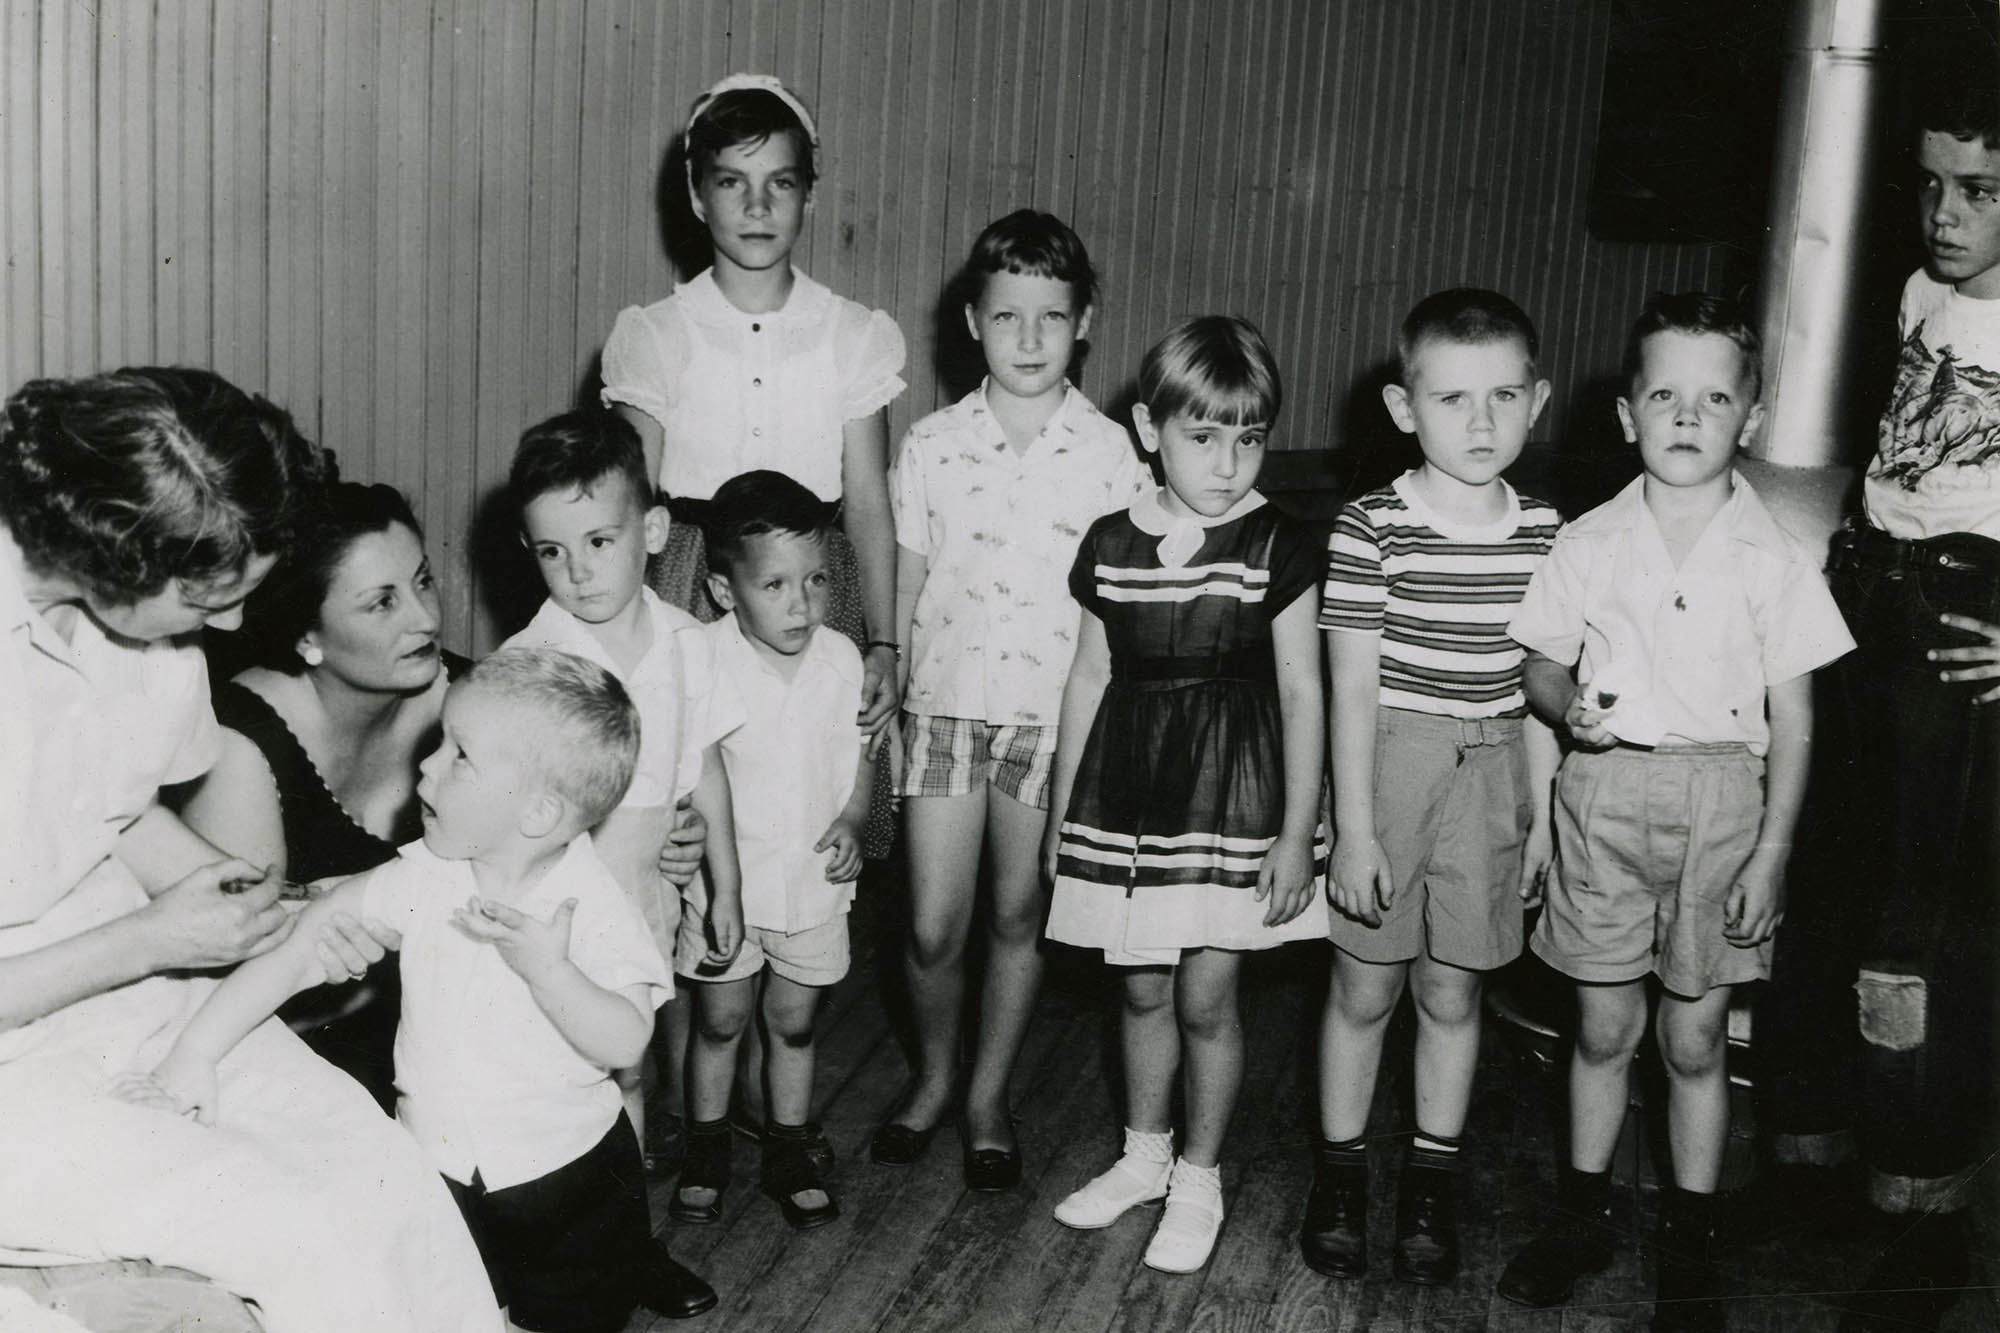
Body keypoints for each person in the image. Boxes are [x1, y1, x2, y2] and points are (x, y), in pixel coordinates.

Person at [0, 367, 499, 1333]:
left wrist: (265, 908)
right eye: (210, 597)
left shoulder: (149, 643)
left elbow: (112, 808)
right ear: (118, 562)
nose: (230, 626)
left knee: (387, 1181)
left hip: (136, 980)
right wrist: (152, 938)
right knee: (296, 1232)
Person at [119, 646, 719, 1328]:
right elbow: (301, 945)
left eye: (459, 755)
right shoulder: (425, 875)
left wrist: (552, 972)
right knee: (451, 1309)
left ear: (539, 812)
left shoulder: (589, 906)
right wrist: (197, 1049)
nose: (428, 765)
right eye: (440, 741)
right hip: (435, 1166)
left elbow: (625, 1037)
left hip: (568, 1174)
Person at [1497, 295, 1853, 1330]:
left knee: (1693, 1040)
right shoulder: (1588, 539)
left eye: (1712, 397)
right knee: (1601, 1026)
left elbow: (1793, 721)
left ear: (1746, 416)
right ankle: (1580, 1212)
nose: (1685, 416)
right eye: (1662, 394)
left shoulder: (1773, 553)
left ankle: (1689, 1239)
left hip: (1720, 805)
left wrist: (1772, 851)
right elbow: (1537, 664)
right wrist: (1571, 715)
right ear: (1624, 416)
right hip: (1602, 798)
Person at [175, 479, 711, 1106]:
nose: (427, 618)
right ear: (308, 637)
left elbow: (551, 836)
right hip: (294, 1038)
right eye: (382, 603)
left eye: (423, 580)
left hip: (472, 1042)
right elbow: (240, 966)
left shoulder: (472, 701)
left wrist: (660, 837)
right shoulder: (245, 746)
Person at [1759, 40, 2000, 1321]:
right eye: (1929, 185)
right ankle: (1810, 1152)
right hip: (1867, 587)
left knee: (1928, 930)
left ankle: (1924, 1203)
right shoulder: (1916, 287)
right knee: (1826, 882)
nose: (1944, 214)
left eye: (1979, 190)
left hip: (1963, 630)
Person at [1041, 317, 1330, 1274]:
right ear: (1147, 427)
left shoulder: (1277, 542)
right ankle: (1144, 1155)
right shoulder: (1111, 542)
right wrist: (1060, 820)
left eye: (1249, 436)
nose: (1228, 460)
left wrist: (1298, 829)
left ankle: (1199, 1174)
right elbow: (1087, 678)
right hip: (1128, 796)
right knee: (1141, 986)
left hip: (1233, 797)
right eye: (1203, 436)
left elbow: (1302, 688)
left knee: (1209, 994)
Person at [872, 210, 1150, 1187]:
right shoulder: (932, 445)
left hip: (1049, 716)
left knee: (1017, 911)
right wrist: (891, 678)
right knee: (930, 922)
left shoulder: (1116, 456)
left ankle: (988, 1094)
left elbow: (1120, 608)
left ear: (1082, 323)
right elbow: (904, 583)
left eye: (1049, 317)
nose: (1027, 339)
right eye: (1005, 317)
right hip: (944, 705)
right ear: (970, 322)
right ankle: (935, 1075)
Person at [1311, 289, 1562, 1285]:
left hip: (1496, 764)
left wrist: (1539, 818)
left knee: (1453, 989)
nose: (1480, 421)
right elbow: (1349, 686)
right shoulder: (1372, 525)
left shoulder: (1549, 531)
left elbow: (1540, 689)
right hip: (1391, 763)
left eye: (1503, 395)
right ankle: (1337, 1175)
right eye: (1451, 397)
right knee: (1364, 984)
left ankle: (1430, 1181)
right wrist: (1355, 829)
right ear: (1401, 405)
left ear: (1536, 401)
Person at [600, 71, 903, 755]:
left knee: (805, 787)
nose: (758, 205)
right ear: (698, 197)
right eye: (733, 182)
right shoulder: (654, 335)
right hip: (689, 584)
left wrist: (884, 643)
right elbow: (628, 504)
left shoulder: (852, 335)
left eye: (782, 183)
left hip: (816, 592)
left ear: (810, 196)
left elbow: (868, 507)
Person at [500, 409, 744, 1165]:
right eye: (552, 550)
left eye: (600, 542)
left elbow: (701, 761)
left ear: (656, 531)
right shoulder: (534, 659)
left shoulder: (686, 641)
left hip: (647, 893)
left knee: (630, 1063)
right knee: (564, 1068)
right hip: (560, 900)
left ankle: (628, 1229)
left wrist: (725, 884)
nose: (578, 571)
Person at [670, 471, 872, 1231]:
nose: (803, 603)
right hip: (728, 887)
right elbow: (693, 773)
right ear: (724, 590)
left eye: (816, 579)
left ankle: (786, 1149)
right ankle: (707, 1148)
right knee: (720, 1022)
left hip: (812, 884)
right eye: (777, 584)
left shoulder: (842, 659)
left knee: (793, 1023)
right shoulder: (704, 659)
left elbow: (858, 753)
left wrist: (854, 815)